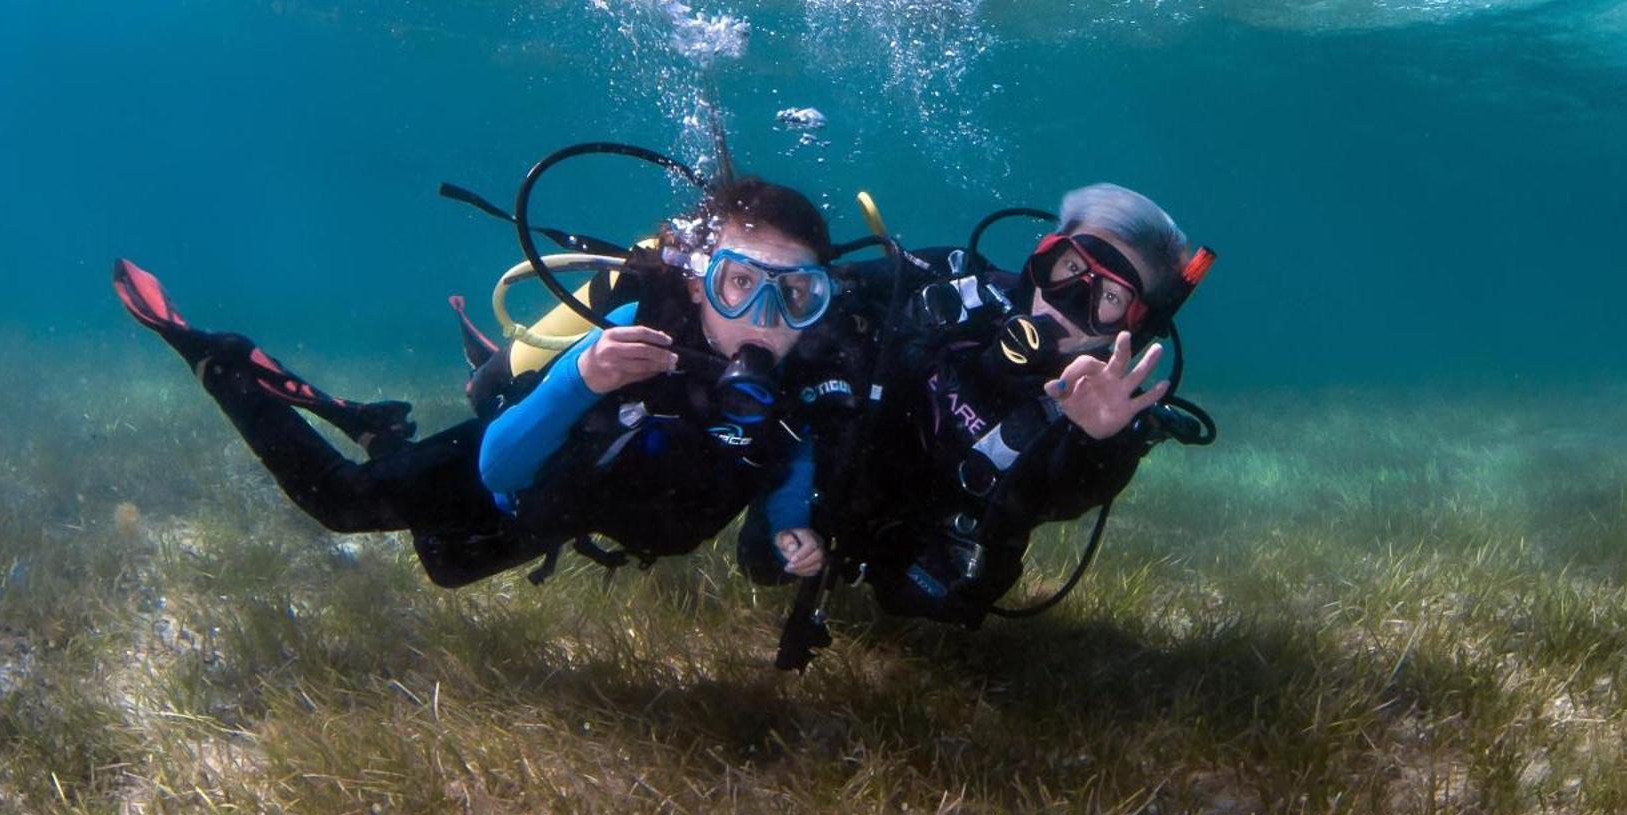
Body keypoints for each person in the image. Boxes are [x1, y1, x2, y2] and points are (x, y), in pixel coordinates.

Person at [114, 176, 853, 589]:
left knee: (444, 563)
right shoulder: (634, 331)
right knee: (340, 501)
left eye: (795, 296)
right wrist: (581, 375)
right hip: (519, 466)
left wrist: (792, 534)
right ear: (696, 286)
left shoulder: (796, 396)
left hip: (564, 509)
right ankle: (219, 361)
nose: (762, 318)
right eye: (739, 283)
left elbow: (789, 475)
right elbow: (499, 464)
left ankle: (377, 426)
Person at [801, 182, 1214, 628]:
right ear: (1044, 256)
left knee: (927, 602)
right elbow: (825, 293)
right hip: (856, 463)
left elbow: (1067, 495)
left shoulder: (1102, 416)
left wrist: (1095, 441)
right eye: (1071, 267)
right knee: (764, 552)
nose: (1071, 300)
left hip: (932, 528)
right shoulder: (958, 285)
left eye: (1110, 297)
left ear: (1134, 324)